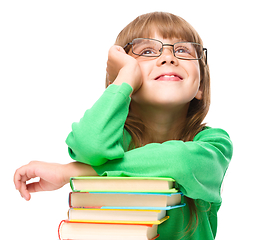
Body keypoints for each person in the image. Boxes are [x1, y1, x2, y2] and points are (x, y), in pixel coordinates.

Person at [14, 12, 233, 239]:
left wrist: (69, 171)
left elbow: (180, 162)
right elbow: (90, 145)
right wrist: (126, 77)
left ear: (200, 88)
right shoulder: (115, 141)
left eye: (182, 50)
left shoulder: (214, 144)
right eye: (147, 51)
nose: (168, 58)